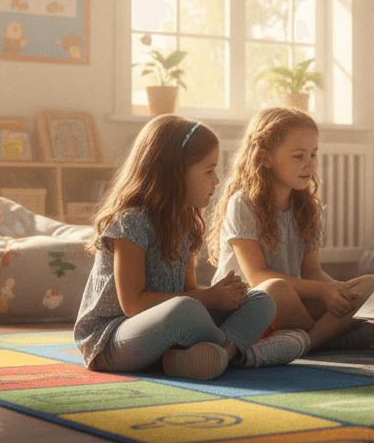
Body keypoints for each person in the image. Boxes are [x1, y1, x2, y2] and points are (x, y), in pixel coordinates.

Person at [74, 115, 310, 381]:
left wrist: (223, 296)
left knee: (261, 300)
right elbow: (133, 304)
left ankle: (214, 356)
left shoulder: (185, 222)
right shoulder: (132, 222)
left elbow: (188, 291)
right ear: (173, 174)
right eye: (208, 171)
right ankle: (235, 353)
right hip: (112, 339)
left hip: (169, 334)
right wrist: (208, 299)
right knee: (185, 310)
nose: (217, 181)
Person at [209, 107, 374, 351]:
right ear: (265, 158)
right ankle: (326, 335)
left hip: (291, 306)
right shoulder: (243, 203)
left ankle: (306, 342)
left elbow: (312, 272)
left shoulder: (307, 207)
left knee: (371, 283)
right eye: (298, 156)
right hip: (248, 307)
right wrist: (324, 292)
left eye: (313, 154)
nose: (310, 164)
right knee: (276, 289)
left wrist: (337, 292)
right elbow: (257, 278)